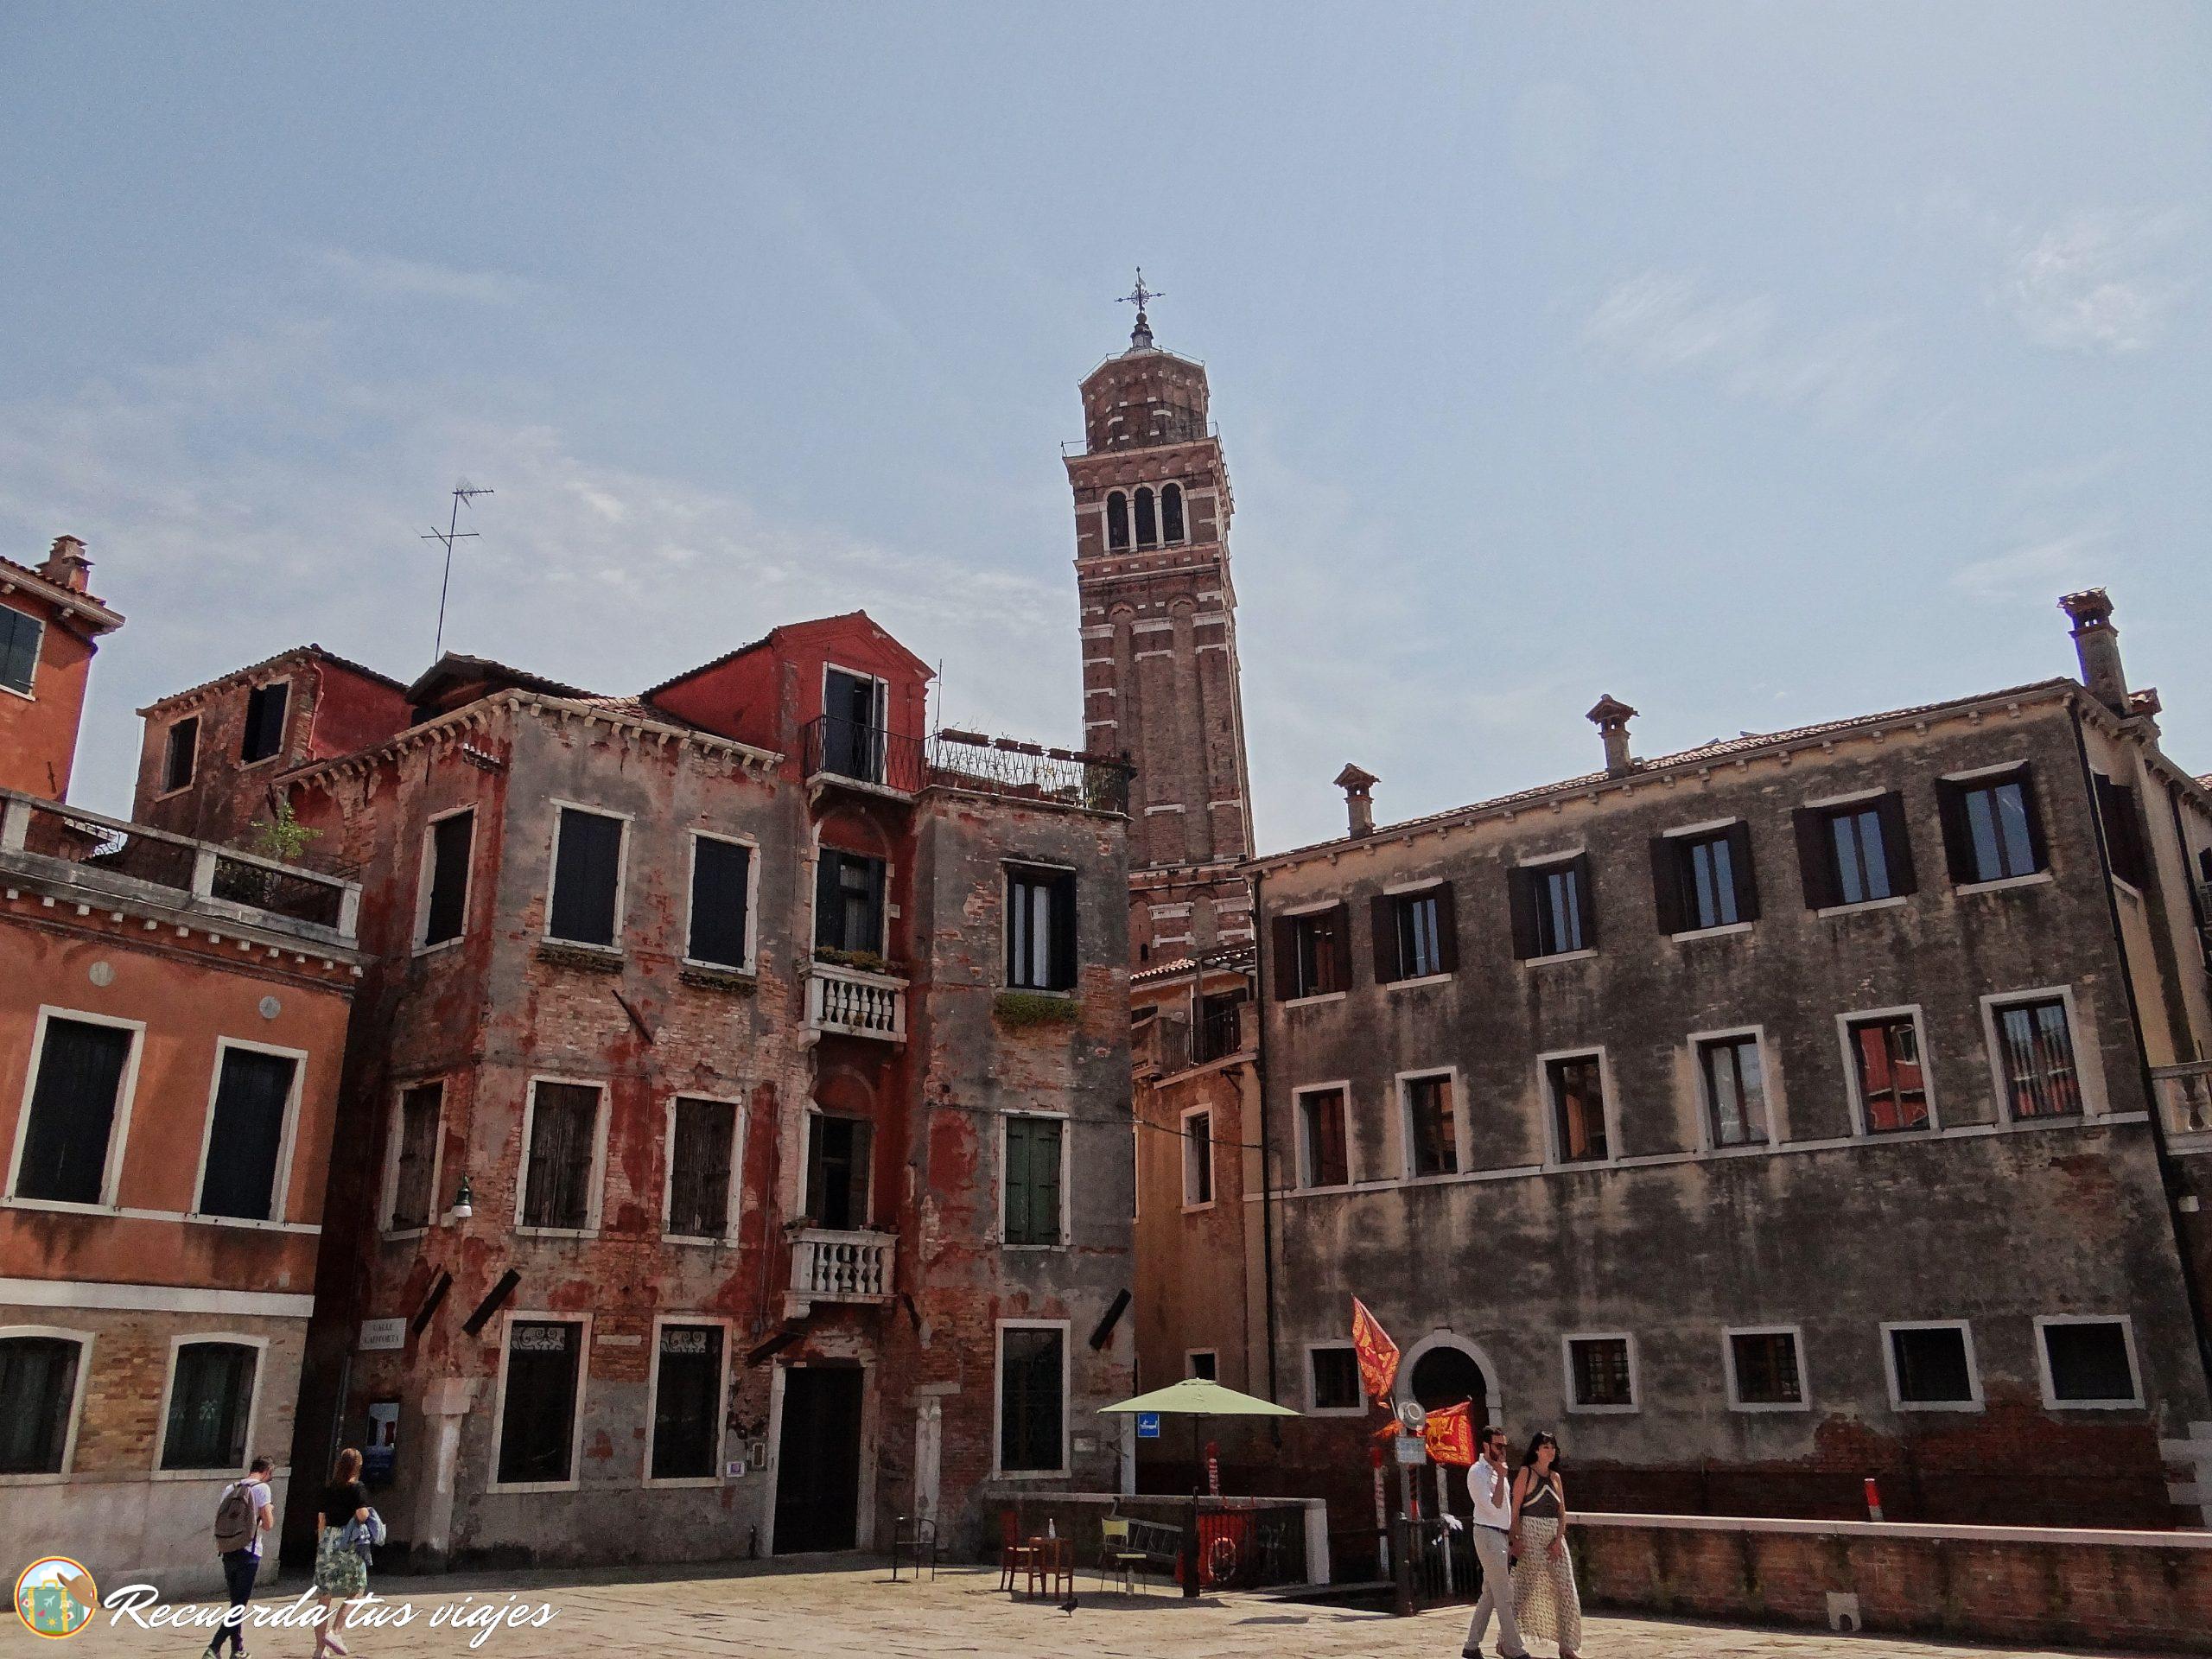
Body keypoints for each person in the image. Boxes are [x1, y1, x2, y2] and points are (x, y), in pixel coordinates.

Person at [1509, 1431, 1583, 1659]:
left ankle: (1567, 1645)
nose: (1549, 1451)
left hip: (1554, 1538)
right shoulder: (1526, 1473)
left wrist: (1559, 1538)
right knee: (1523, 1590)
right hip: (1530, 1533)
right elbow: (1515, 1510)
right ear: (1536, 1450)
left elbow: (1562, 1513)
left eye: (1552, 1447)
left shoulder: (1556, 1477)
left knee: (1566, 1588)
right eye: (1545, 1447)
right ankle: (1507, 1639)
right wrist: (1515, 1539)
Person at [1460, 1423, 1530, 1659]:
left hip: (1499, 1534)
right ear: (1486, 1446)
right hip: (1487, 1534)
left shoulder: (1500, 1470)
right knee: (1503, 1595)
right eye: (1498, 1445)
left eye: (1504, 1445)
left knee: (1490, 1594)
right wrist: (1501, 1478)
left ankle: (1471, 1646)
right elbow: (1494, 1507)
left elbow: (1506, 1511)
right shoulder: (1477, 1472)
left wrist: (1513, 1537)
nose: (1502, 1450)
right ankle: (1515, 1649)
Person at [203, 1455, 274, 1659]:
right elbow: (268, 1525)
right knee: (239, 1605)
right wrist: (268, 1513)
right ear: (267, 1472)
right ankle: (213, 1647)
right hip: (249, 1551)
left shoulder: (231, 1488)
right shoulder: (262, 1489)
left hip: (228, 1548)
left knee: (236, 1603)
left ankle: (238, 1649)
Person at [311, 1448, 372, 1658]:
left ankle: (320, 1649)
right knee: (358, 1587)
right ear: (358, 1467)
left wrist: (322, 1544)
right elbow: (362, 1514)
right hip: (348, 1541)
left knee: (324, 1596)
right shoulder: (357, 1489)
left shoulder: (329, 1488)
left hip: (327, 1540)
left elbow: (321, 1519)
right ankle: (335, 1632)